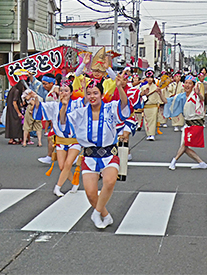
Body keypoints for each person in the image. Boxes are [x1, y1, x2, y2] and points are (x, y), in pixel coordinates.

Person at [62, 74, 130, 229]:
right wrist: (64, 105)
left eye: (95, 93)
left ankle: (95, 212)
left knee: (110, 181)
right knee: (91, 193)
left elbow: (124, 106)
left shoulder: (110, 108)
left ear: (101, 94)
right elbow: (63, 123)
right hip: (89, 156)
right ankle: (105, 215)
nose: (92, 96)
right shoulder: (80, 112)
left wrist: (120, 87)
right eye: (89, 93)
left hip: (108, 154)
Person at [33, 80, 84, 196]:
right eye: (61, 90)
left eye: (66, 91)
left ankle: (57, 187)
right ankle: (75, 183)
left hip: (74, 140)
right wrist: (35, 98)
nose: (63, 93)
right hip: (60, 140)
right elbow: (40, 108)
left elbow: (87, 101)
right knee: (62, 166)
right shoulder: (54, 106)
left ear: (71, 93)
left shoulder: (77, 104)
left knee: (68, 164)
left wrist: (84, 88)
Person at [158, 75, 207, 170]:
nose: (187, 85)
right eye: (186, 83)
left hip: (196, 123)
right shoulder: (181, 96)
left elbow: (202, 99)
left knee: (184, 144)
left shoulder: (196, 95)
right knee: (184, 147)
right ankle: (201, 163)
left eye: (190, 83)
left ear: (193, 85)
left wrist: (198, 94)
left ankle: (174, 160)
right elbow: (167, 101)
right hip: (188, 124)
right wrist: (160, 94)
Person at [140, 68, 163, 141]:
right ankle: (148, 134)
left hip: (153, 106)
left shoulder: (156, 87)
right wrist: (144, 93)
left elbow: (159, 97)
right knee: (146, 120)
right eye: (148, 78)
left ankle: (152, 134)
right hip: (146, 106)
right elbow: (141, 97)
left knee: (153, 120)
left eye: (151, 78)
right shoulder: (143, 87)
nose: (149, 79)